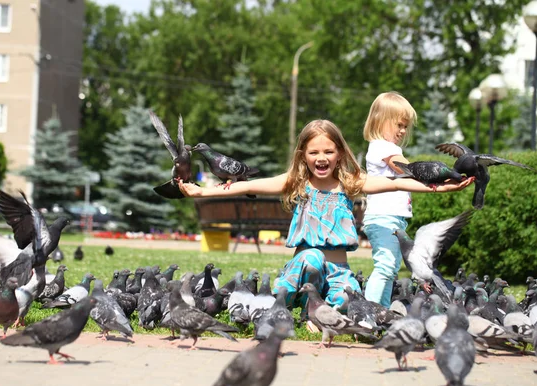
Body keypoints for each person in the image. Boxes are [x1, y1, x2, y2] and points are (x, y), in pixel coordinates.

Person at [178, 119, 472, 312]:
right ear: (303, 155)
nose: (321, 158)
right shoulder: (297, 183)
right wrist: (202, 192)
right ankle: (286, 299)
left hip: (338, 272)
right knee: (311, 258)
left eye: (329, 151)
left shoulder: (350, 184)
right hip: (305, 268)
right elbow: (249, 185)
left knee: (346, 298)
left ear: (340, 154)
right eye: (314, 152)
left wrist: (440, 188)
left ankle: (316, 309)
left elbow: (395, 182)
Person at [361, 91, 417, 307]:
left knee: (390, 269)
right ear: (380, 121)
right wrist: (440, 178)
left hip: (392, 218)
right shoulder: (384, 148)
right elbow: (408, 170)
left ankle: (381, 313)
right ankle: (368, 313)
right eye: (399, 125)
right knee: (385, 267)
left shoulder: (384, 147)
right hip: (383, 218)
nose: (403, 131)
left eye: (405, 127)